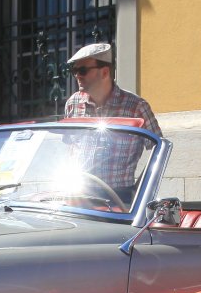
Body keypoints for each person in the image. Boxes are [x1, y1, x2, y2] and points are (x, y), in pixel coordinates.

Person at [61, 41, 160, 192]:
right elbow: (69, 147)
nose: (77, 76)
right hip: (78, 194)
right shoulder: (72, 103)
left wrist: (140, 189)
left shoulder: (136, 107)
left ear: (105, 72)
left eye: (82, 70)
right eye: (74, 70)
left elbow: (159, 150)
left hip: (119, 197)